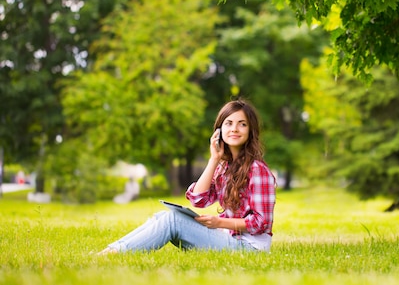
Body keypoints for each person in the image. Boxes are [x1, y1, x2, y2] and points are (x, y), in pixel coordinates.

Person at [98, 99, 276, 254]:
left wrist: (219, 223)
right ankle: (113, 249)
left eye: (242, 124)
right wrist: (214, 159)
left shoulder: (257, 170)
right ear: (219, 130)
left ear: (250, 130)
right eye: (229, 123)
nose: (234, 129)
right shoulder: (225, 168)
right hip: (232, 239)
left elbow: (262, 222)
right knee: (162, 216)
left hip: (250, 248)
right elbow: (198, 200)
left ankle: (115, 252)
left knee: (173, 220)